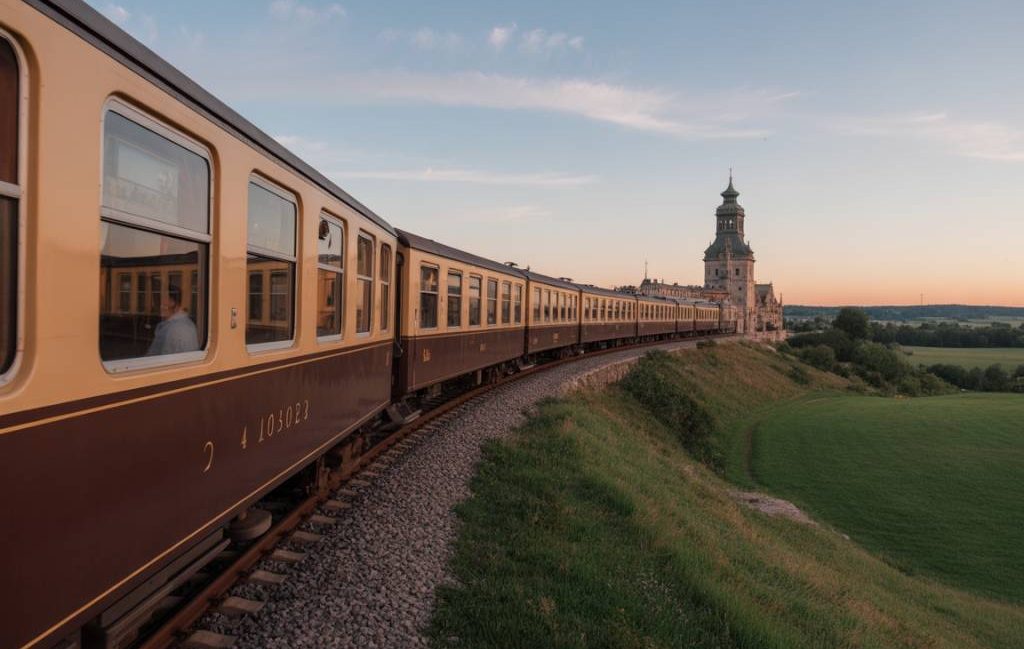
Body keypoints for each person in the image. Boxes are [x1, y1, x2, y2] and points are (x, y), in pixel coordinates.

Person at [147, 286, 199, 356]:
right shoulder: (188, 323)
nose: (154, 305)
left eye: (160, 300)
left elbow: (158, 359)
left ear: (172, 302)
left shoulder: (172, 329)